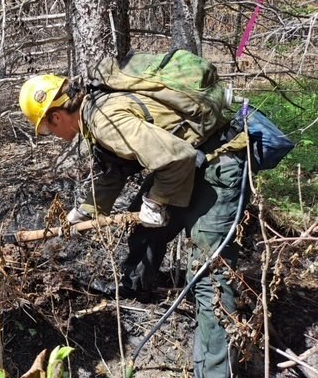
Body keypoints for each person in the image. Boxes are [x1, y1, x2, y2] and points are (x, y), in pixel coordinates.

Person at [19, 73, 249, 378]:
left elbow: (177, 158)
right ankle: (137, 290)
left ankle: (214, 372)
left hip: (219, 161)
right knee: (144, 228)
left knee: (210, 273)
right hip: (190, 162)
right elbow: (113, 170)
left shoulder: (105, 119)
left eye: (46, 128)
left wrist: (156, 201)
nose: (49, 133)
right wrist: (83, 212)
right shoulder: (94, 117)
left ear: (58, 116)